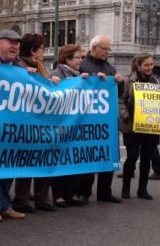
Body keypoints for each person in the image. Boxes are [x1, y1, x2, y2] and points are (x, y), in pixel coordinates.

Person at [0, 29, 27, 222]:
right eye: (10, 42)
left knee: (9, 166)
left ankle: (5, 205)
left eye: (17, 43)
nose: (15, 46)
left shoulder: (21, 69)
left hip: (14, 127)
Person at [12, 33, 56, 213]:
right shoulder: (19, 67)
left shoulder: (40, 67)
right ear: (32, 51)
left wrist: (52, 83)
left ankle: (41, 198)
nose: (43, 52)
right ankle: (21, 200)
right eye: (42, 49)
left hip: (41, 122)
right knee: (26, 161)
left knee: (43, 160)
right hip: (26, 121)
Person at [78, 34, 124, 204]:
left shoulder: (110, 68)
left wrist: (119, 83)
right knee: (89, 157)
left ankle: (105, 191)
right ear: (95, 48)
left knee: (107, 155)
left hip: (106, 121)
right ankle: (84, 192)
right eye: (106, 49)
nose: (108, 52)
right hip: (87, 120)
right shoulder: (82, 65)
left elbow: (117, 95)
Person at [118, 53, 160, 200]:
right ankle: (126, 188)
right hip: (132, 125)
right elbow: (121, 101)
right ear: (138, 66)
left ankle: (142, 189)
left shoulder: (158, 81)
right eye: (146, 65)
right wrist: (126, 116)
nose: (150, 67)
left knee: (146, 159)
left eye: (151, 64)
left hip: (150, 126)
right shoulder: (127, 81)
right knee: (131, 157)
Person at [50, 44, 88, 207]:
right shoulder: (56, 74)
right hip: (61, 125)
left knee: (73, 159)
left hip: (75, 125)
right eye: (77, 58)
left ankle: (70, 192)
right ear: (67, 59)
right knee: (60, 159)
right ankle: (58, 194)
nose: (80, 60)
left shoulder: (80, 76)